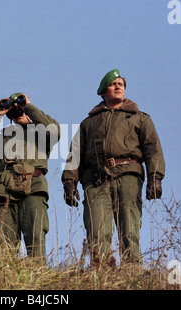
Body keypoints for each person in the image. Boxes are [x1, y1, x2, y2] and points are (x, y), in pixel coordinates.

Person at [61, 69, 165, 266]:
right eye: (113, 84)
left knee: (130, 228)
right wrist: (69, 181)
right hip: (96, 180)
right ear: (103, 91)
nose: (119, 87)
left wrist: (155, 176)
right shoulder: (88, 123)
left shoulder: (139, 118)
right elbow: (74, 154)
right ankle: (101, 275)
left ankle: (132, 272)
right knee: (97, 230)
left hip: (128, 176)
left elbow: (152, 148)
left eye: (121, 85)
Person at [0, 92, 60, 262]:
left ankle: (37, 282)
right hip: (4, 190)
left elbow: (54, 131)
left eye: (19, 110)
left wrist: (29, 107)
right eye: (14, 112)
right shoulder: (3, 137)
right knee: (5, 246)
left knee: (36, 243)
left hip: (33, 188)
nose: (17, 114)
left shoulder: (42, 134)